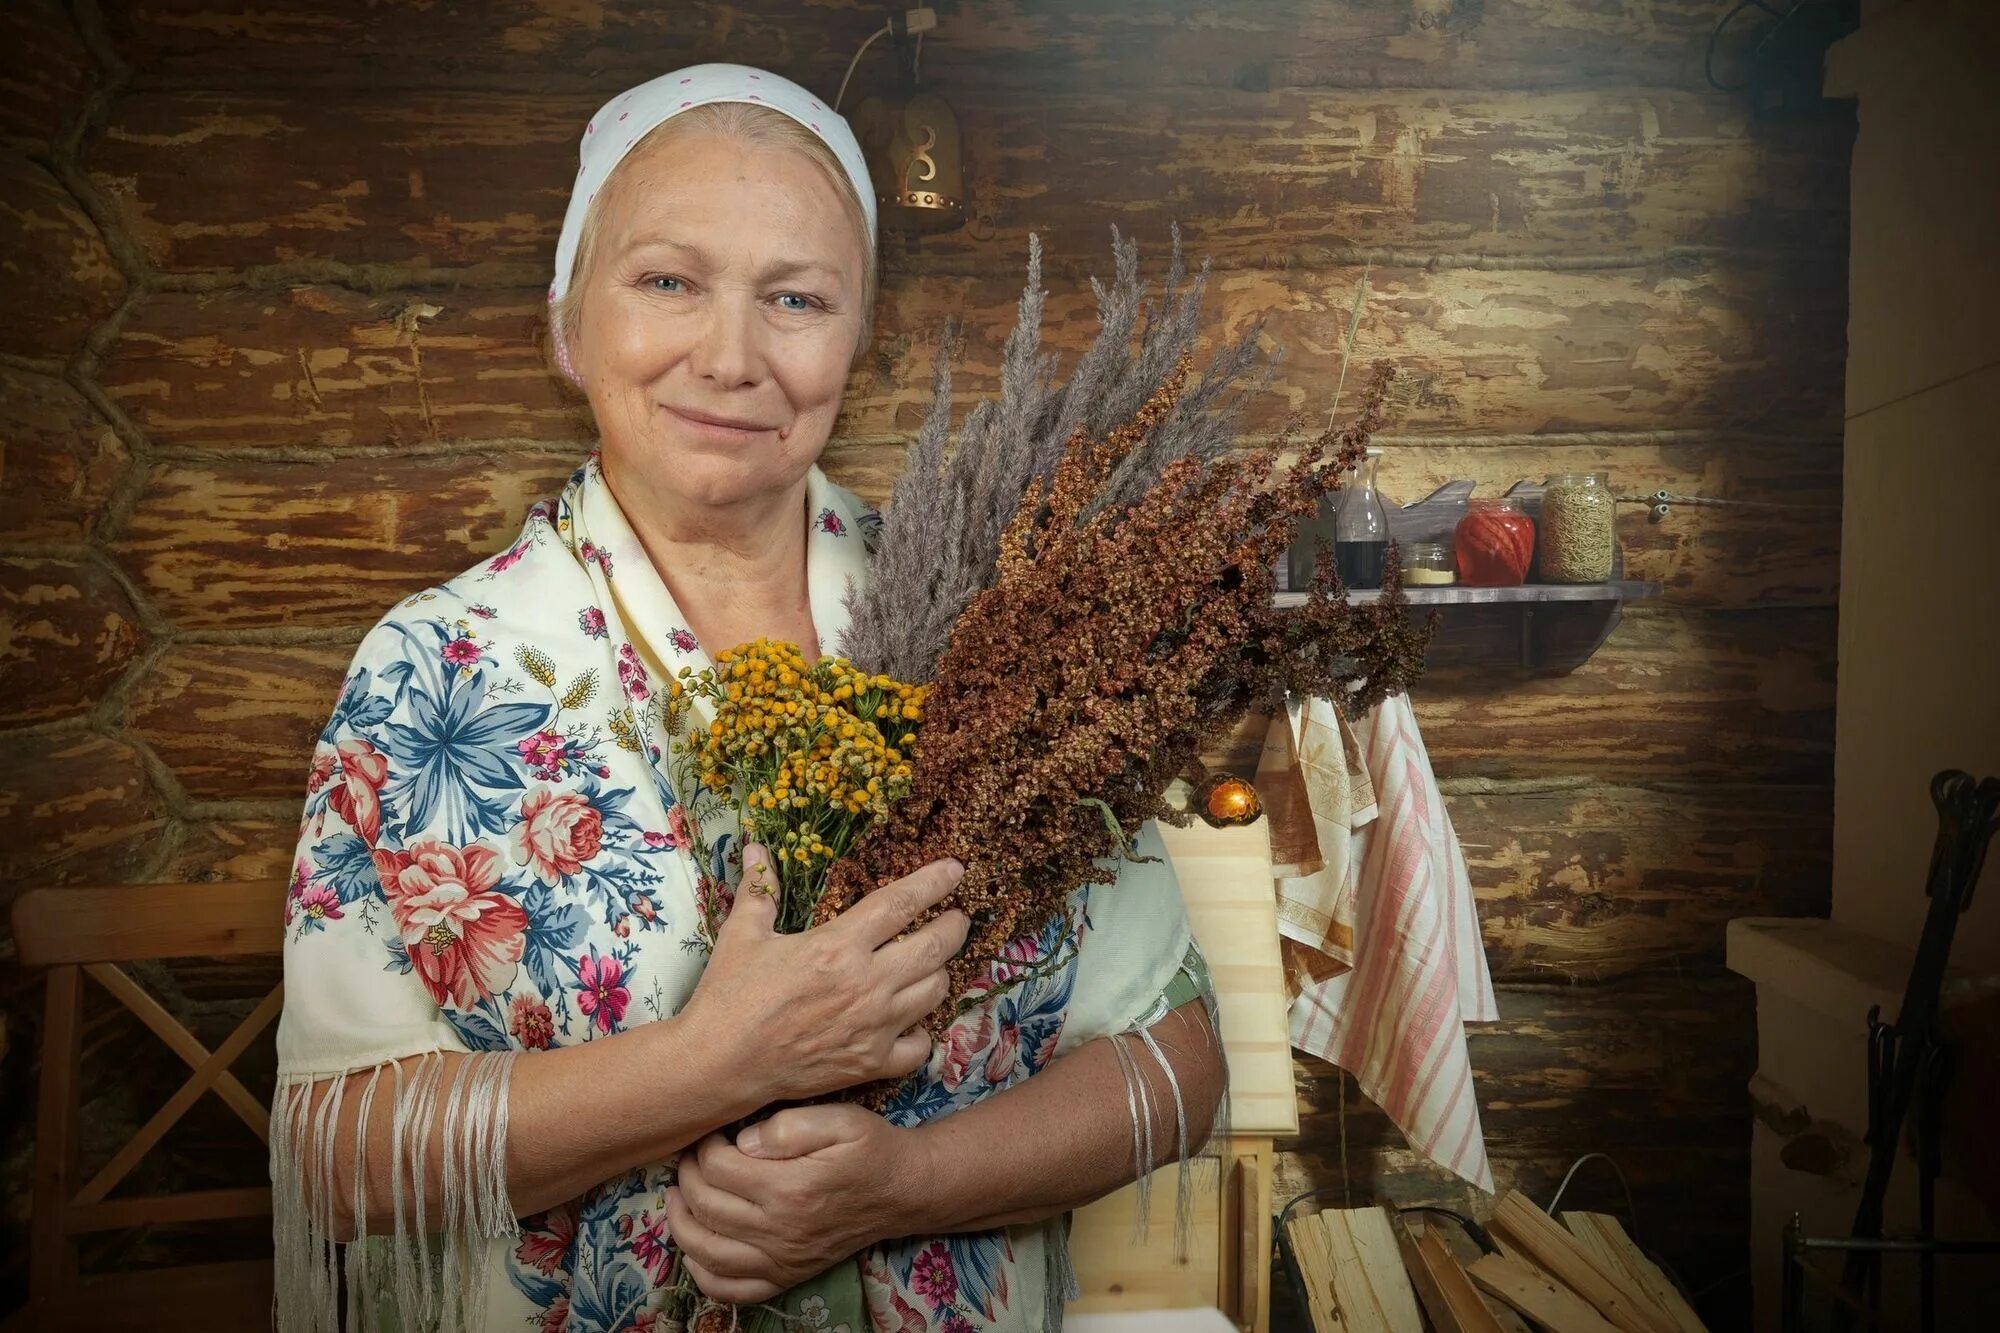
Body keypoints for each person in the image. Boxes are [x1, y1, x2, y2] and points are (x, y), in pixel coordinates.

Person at [272, 63, 1225, 1333]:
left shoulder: (1000, 633)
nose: (729, 356)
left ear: (856, 337)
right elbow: (334, 1157)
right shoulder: (434, 670)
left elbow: (1176, 1058)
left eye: (795, 297)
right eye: (666, 280)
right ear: (567, 322)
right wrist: (720, 1060)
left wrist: (898, 1187)